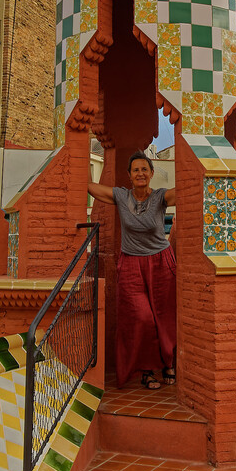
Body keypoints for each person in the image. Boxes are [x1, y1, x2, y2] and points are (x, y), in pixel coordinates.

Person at [88, 150, 176, 390]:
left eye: (144, 169)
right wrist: (75, 167)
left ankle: (168, 362)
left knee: (164, 317)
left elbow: (189, 190)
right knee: (142, 318)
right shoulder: (120, 196)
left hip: (161, 262)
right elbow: (91, 188)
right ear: (129, 175)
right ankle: (147, 371)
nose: (140, 173)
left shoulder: (159, 197)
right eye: (135, 170)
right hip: (131, 264)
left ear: (151, 173)